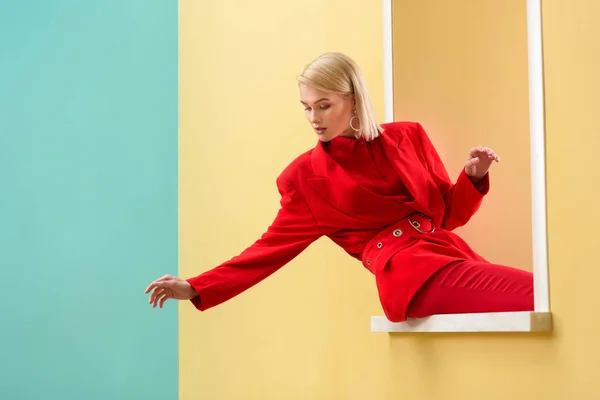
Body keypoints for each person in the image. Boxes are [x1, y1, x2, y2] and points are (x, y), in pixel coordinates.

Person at [145, 52, 533, 323]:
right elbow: (267, 251)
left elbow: (448, 216)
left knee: (548, 302)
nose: (313, 118)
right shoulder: (305, 178)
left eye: (324, 105)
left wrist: (473, 176)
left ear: (353, 99)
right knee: (541, 295)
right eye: (306, 107)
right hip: (411, 276)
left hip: (452, 257)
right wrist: (196, 287)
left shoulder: (409, 137)